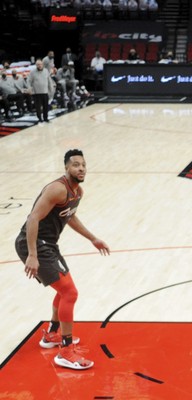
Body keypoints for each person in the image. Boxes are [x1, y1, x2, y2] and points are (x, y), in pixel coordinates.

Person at [14, 149, 110, 370]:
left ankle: (51, 336)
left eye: (84, 164)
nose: (81, 168)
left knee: (64, 291)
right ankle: (65, 352)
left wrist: (93, 238)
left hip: (49, 245)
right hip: (35, 244)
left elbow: (70, 216)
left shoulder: (77, 192)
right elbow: (32, 218)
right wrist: (32, 254)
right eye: (76, 165)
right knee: (70, 292)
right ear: (66, 168)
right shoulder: (57, 189)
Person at [27, 59, 54, 123]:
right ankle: (39, 118)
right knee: (38, 107)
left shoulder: (46, 71)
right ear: (36, 65)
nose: (39, 65)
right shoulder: (32, 72)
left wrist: (51, 89)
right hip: (36, 92)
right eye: (38, 64)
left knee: (46, 106)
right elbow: (28, 81)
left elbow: (49, 80)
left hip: (45, 92)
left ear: (42, 64)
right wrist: (29, 88)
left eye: (40, 64)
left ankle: (46, 118)